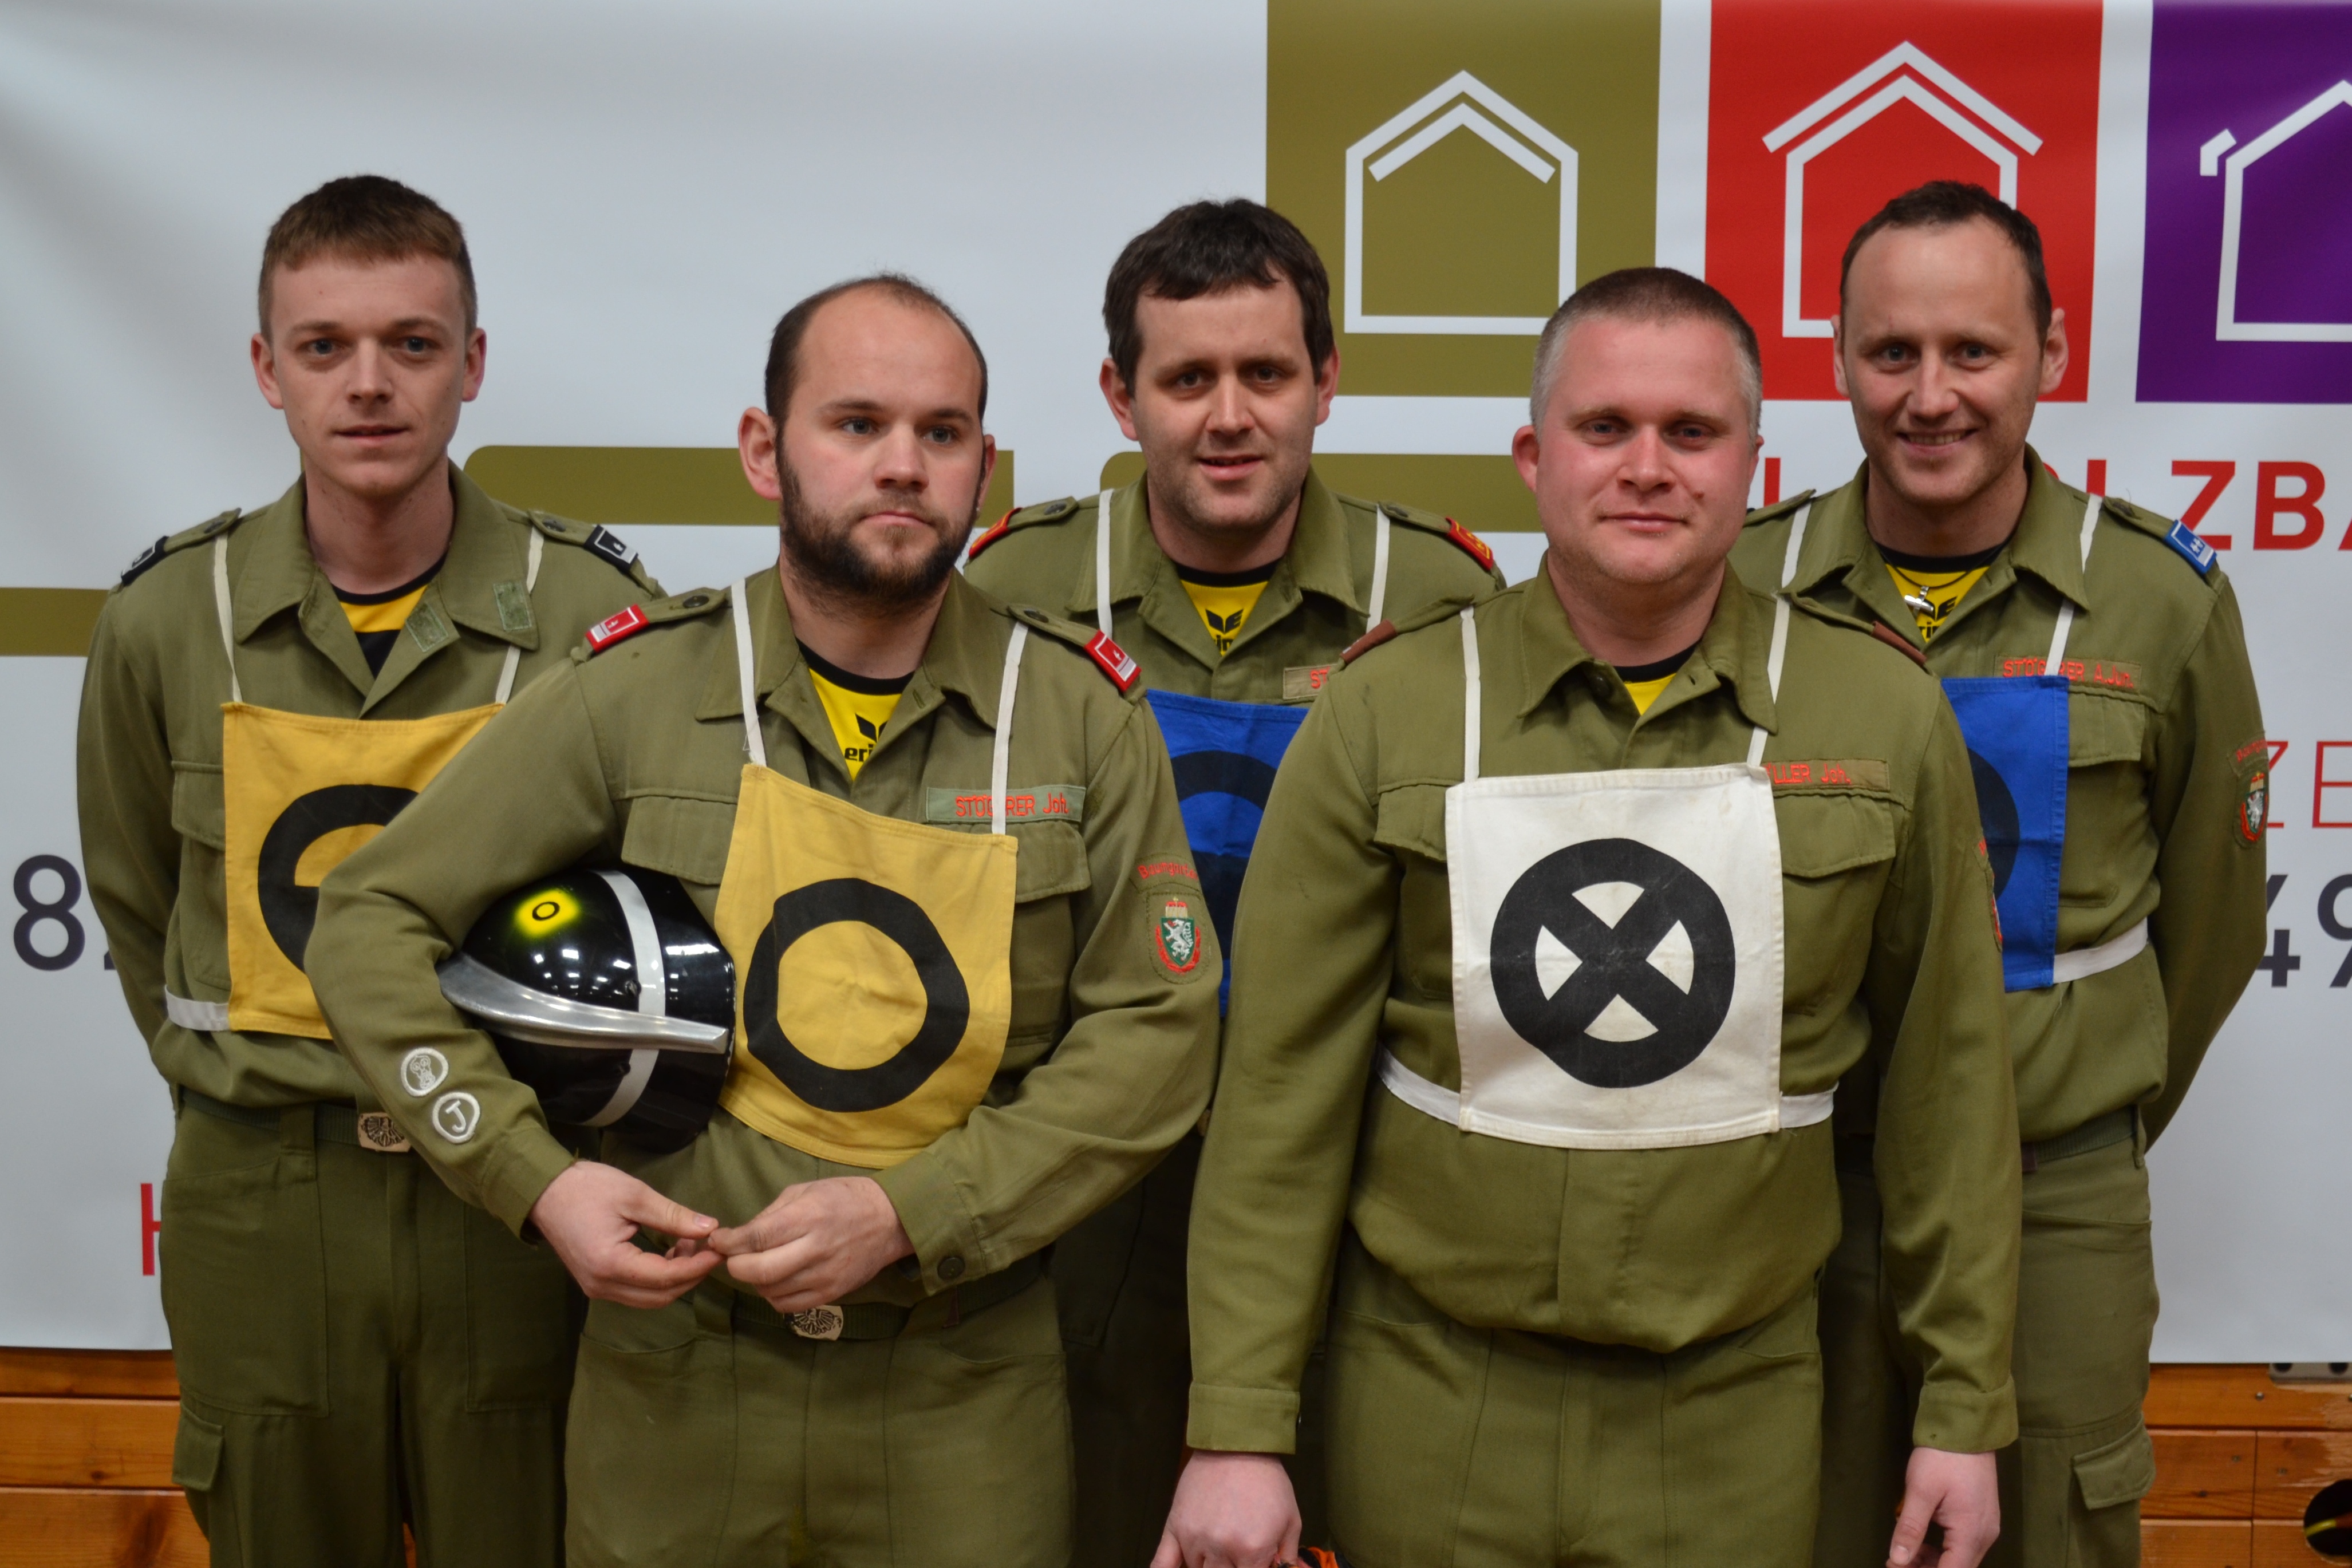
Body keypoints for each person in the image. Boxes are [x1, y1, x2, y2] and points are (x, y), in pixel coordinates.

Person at [305, 274, 1222, 1568]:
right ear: (762, 449)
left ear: (983, 465)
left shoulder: (1081, 717)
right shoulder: (637, 691)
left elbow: (1159, 1034)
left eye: (942, 432)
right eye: (856, 423)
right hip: (676, 1386)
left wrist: (913, 1212)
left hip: (962, 1394)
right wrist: (534, 1180)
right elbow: (367, 918)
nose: (902, 464)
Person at [1159, 268, 2020, 1568]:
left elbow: (1948, 1091)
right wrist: (1238, 1423)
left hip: (1737, 1404)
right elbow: (1281, 1096)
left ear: (1753, 465)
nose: (1647, 469)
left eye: (1692, 432)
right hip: (1432, 1392)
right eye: (1604, 427)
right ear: (1532, 458)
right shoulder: (1385, 711)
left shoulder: (1879, 714)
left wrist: (1961, 1408)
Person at [75, 175, 664, 1565]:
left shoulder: (590, 613)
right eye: (324, 345)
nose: (369, 384)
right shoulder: (170, 618)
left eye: (411, 343)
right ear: (265, 367)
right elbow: (139, 907)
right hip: (263, 1201)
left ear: (473, 361)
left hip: (513, 1193)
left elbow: (646, 906)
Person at [1731, 182, 2268, 1567]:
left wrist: (2069, 1096)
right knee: (1795, 1521)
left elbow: (2209, 928)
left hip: (2054, 1202)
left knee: (2051, 1525)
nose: (1929, 396)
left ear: (2052, 352)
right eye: (1889, 352)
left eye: (1971, 350)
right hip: (1802, 1189)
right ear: (1836, 359)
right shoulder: (1746, 586)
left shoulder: (2159, 598)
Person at [963, 197, 1502, 1561]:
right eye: (1185, 377)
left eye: (1264, 372)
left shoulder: (1441, 597)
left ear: (1325, 379)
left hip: (1353, 1184)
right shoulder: (1014, 586)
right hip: (1084, 1188)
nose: (1227, 416)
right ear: (1119, 394)